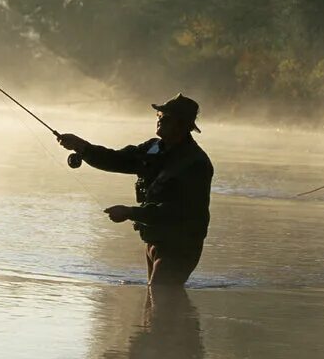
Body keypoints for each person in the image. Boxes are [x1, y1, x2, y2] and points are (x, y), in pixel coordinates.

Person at [57, 93, 213, 286]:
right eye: (159, 116)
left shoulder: (195, 163)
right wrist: (82, 147)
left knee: (162, 298)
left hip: (180, 245)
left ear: (183, 125)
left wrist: (130, 212)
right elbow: (117, 160)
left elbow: (179, 212)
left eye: (167, 117)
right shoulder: (153, 148)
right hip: (154, 239)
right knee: (153, 308)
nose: (160, 119)